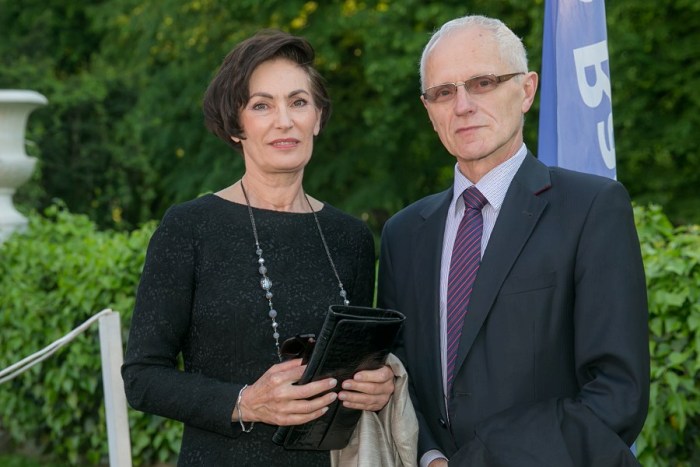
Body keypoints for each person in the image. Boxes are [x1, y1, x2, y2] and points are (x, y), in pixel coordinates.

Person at [377, 14, 649, 467]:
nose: (462, 105)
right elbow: (399, 375)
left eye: (482, 83)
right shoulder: (404, 235)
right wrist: (429, 456)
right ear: (429, 110)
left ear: (526, 90)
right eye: (443, 92)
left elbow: (617, 394)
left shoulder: (591, 209)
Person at [122, 29, 395, 466]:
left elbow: (357, 367)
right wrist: (246, 402)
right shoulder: (190, 227)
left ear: (318, 117)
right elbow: (142, 378)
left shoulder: (351, 238)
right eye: (262, 105)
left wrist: (377, 387)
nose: (284, 121)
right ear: (236, 125)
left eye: (298, 102)